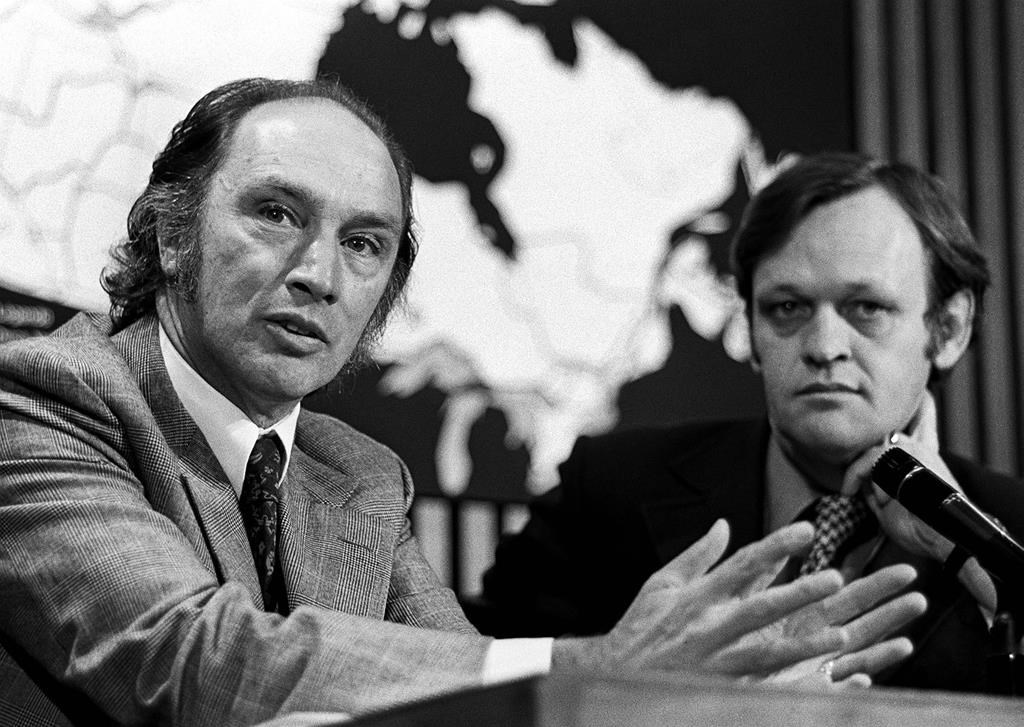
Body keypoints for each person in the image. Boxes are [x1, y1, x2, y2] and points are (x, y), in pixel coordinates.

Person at [0, 82, 923, 726]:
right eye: (275, 213)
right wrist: (605, 664)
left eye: (365, 244)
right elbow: (196, 661)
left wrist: (719, 701)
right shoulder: (46, 397)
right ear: (169, 234)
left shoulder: (358, 476)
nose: (319, 275)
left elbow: (473, 701)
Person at [477, 152, 1024, 694]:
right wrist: (626, 677)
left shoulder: (1015, 530)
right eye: (787, 307)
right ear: (750, 329)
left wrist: (973, 552)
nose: (823, 346)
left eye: (867, 308)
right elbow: (467, 673)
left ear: (949, 328)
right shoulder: (609, 489)